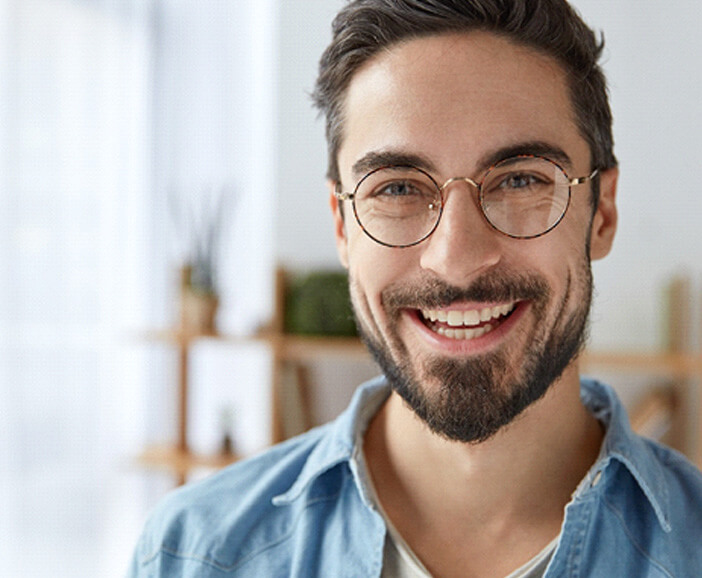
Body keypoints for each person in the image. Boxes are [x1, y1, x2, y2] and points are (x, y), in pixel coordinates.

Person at [129, 1, 702, 576]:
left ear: (601, 210)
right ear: (342, 225)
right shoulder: (194, 554)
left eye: (521, 179)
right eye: (398, 188)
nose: (456, 259)